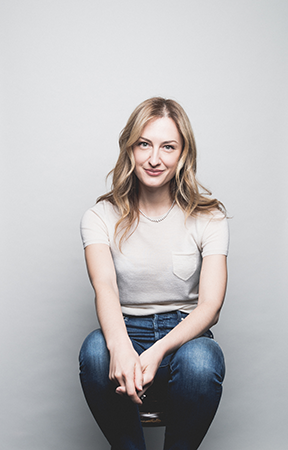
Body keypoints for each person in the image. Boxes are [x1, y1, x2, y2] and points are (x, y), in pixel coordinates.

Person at [79, 97, 229, 450]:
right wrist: (120, 346)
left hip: (184, 339)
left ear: (183, 154)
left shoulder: (211, 217)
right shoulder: (100, 216)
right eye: (144, 144)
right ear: (130, 148)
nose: (154, 158)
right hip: (125, 329)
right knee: (95, 349)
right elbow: (105, 290)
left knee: (202, 360)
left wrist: (158, 350)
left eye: (168, 147)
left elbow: (211, 306)